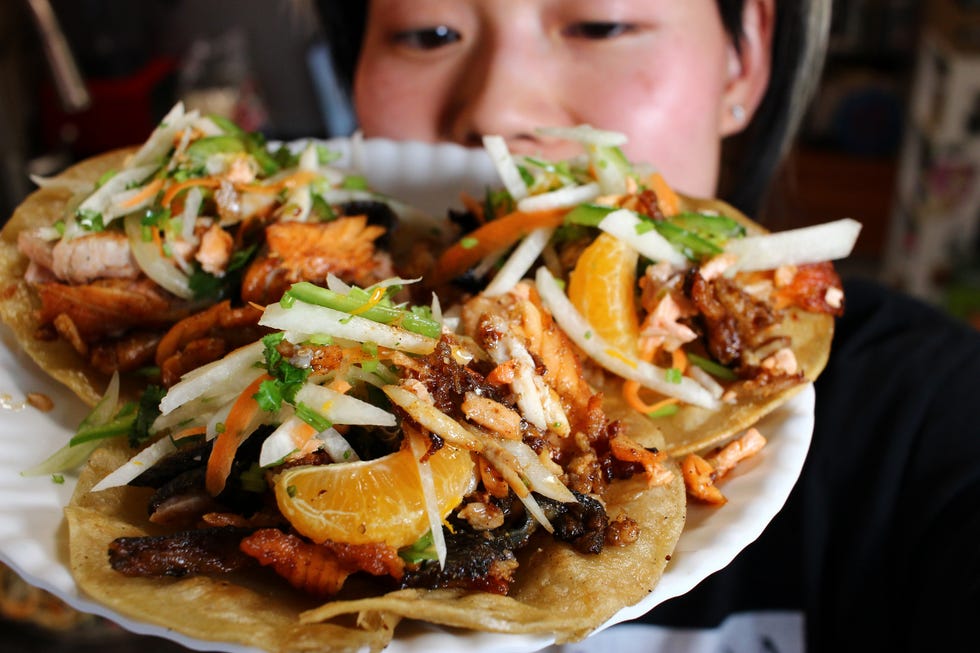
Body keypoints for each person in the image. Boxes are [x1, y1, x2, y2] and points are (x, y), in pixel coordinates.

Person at [314, 1, 980, 651]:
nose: (499, 106)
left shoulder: (932, 414)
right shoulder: (311, 344)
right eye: (426, 33)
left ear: (744, 53)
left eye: (601, 24)